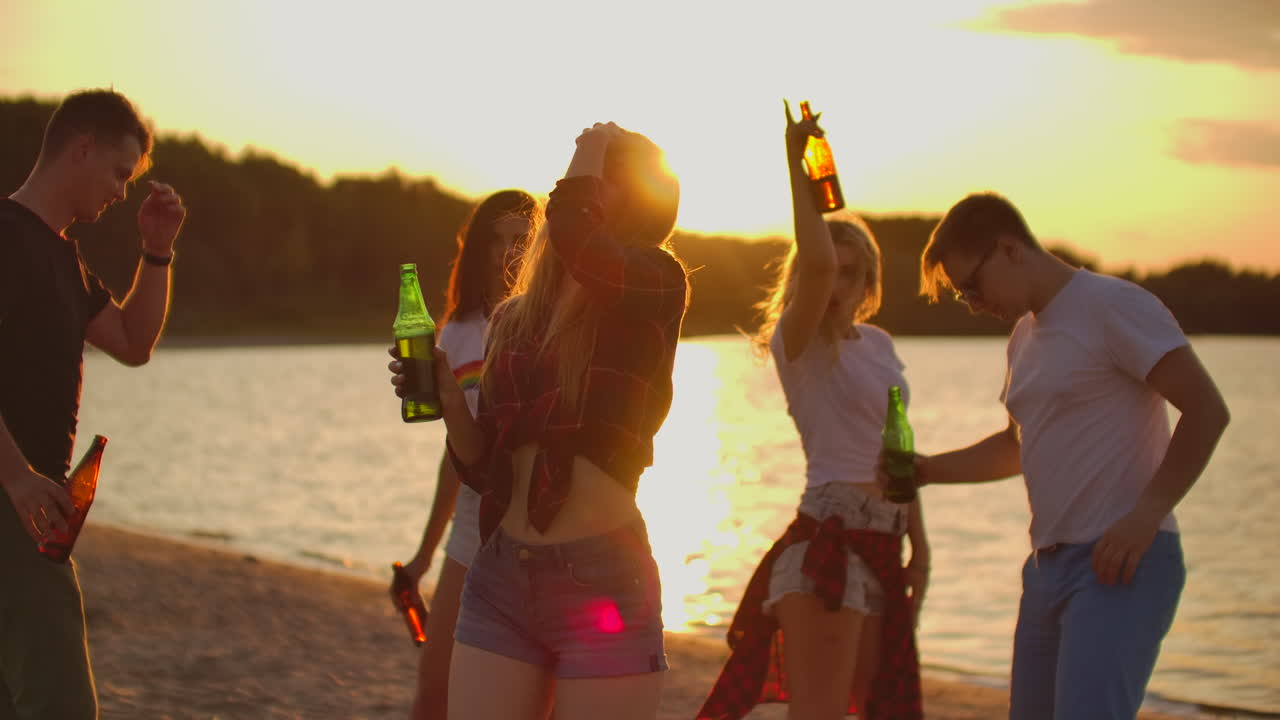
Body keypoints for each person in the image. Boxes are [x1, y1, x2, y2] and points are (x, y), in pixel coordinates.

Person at [390, 121, 687, 720]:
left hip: (603, 577)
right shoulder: (513, 319)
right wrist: (450, 398)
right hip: (501, 578)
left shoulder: (655, 283)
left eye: (596, 184)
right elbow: (484, 466)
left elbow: (585, 248)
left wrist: (591, 145)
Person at [914, 192, 1230, 719]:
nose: (971, 302)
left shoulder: (1113, 305)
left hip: (1120, 561)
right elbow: (1018, 447)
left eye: (971, 285)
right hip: (1046, 570)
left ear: (1009, 249)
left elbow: (1206, 409)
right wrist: (923, 471)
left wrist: (1145, 516)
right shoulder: (1022, 340)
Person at [696, 103, 928, 720]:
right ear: (804, 279)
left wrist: (920, 547)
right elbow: (819, 260)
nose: (835, 285)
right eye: (826, 273)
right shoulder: (797, 346)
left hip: (886, 542)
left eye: (851, 274)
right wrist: (797, 162)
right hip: (828, 542)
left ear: (870, 282)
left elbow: (898, 453)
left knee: (877, 711)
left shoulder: (878, 348)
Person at [0, 89, 186, 719]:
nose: (121, 192)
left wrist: (157, 249)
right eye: (118, 173)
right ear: (80, 148)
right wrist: (17, 477)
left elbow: (134, 343)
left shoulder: (62, 256)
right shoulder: (5, 235)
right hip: (16, 508)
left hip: (32, 502)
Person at [392, 189, 539, 720]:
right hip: (470, 540)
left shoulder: (549, 327)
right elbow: (456, 456)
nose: (506, 254)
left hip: (534, 538)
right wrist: (424, 554)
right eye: (495, 241)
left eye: (520, 240)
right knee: (433, 700)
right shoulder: (455, 334)